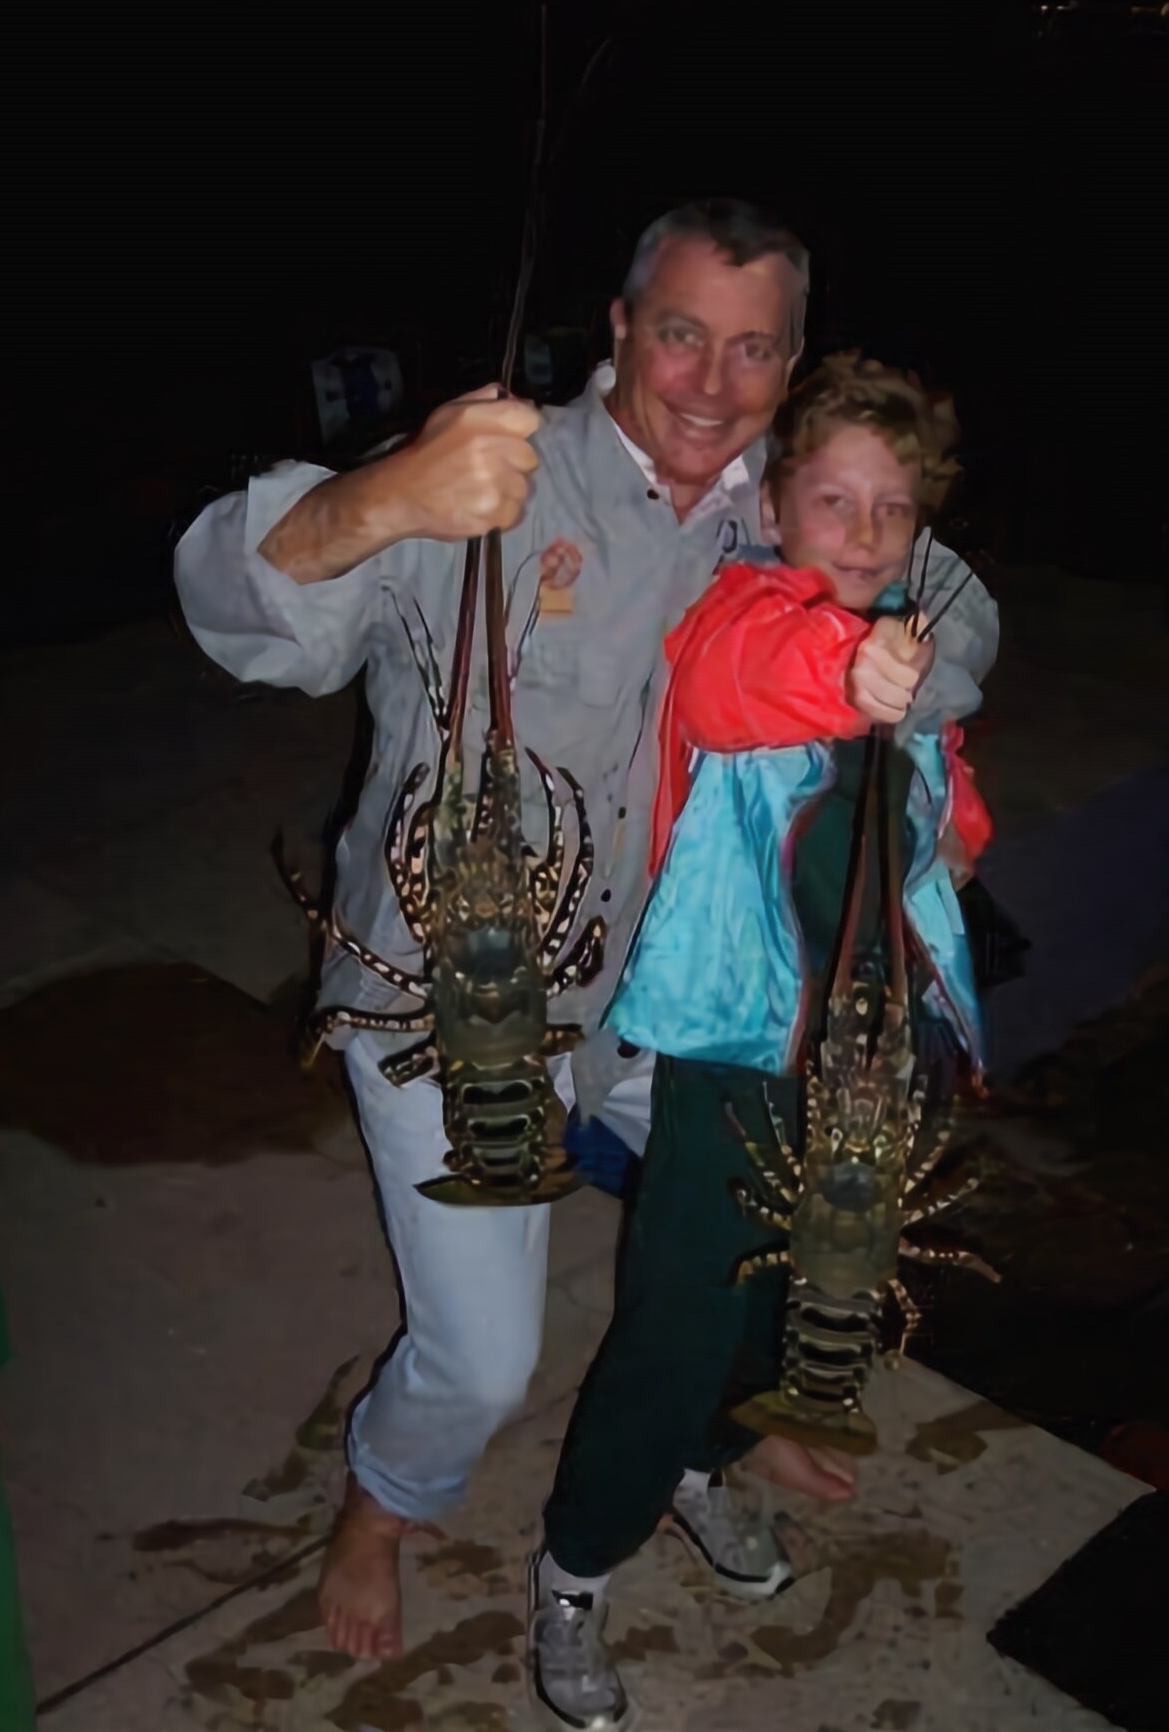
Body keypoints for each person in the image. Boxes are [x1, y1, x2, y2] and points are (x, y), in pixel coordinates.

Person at [173, 204, 997, 1663]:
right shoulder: (491, 473)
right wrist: (379, 500)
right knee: (487, 1360)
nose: (708, 383)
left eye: (753, 351)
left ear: (791, 365)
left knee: (787, 1227)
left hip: (659, 992)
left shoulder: (790, 501)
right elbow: (237, 609)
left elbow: (957, 596)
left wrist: (913, 674)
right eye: (679, 333)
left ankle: (706, 1428)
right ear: (618, 327)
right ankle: (385, 1490)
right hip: (455, 1004)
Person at [527, 354, 997, 1729]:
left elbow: (943, 791)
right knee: (680, 1313)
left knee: (803, 1294)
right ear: (777, 506)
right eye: (833, 499)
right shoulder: (745, 615)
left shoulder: (903, 634)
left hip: (862, 1047)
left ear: (920, 528)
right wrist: (857, 669)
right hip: (731, 1049)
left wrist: (961, 831)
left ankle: (700, 1464)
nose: (859, 532)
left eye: (890, 510)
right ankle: (573, 1563)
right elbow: (745, 688)